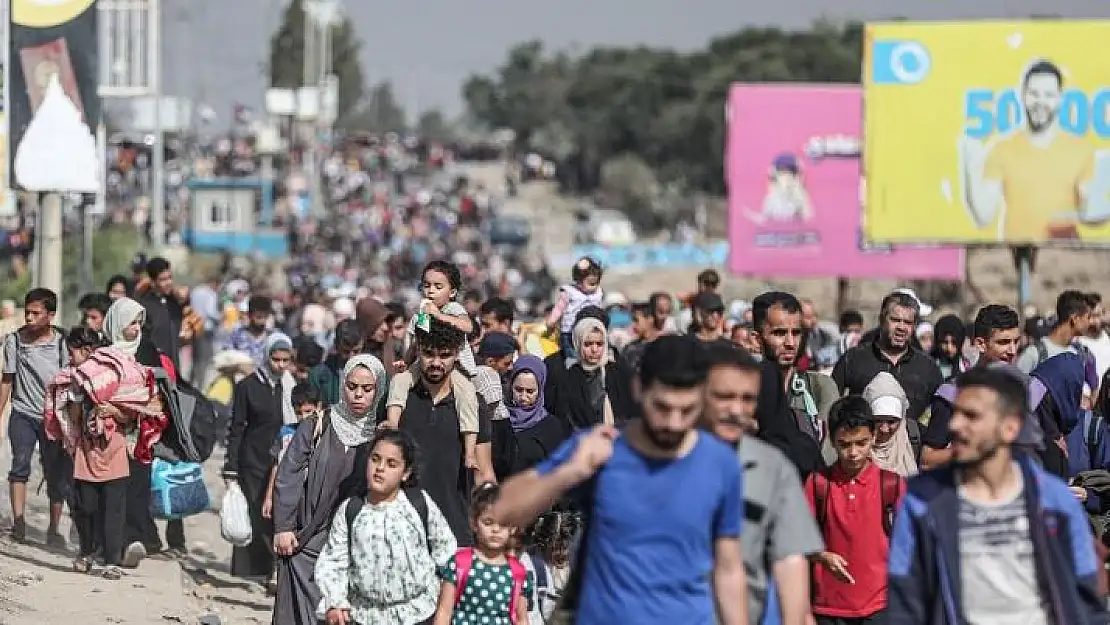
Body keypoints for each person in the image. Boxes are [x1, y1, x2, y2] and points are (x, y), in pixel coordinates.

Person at [494, 336, 750, 625]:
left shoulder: (720, 464)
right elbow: (503, 509)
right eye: (663, 408)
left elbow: (729, 569)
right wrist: (569, 472)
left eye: (687, 410)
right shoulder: (601, 450)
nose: (673, 423)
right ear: (639, 389)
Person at [887, 367, 1107, 623]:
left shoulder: (1055, 501)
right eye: (956, 413)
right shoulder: (921, 502)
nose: (955, 424)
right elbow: (904, 604)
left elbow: (1088, 599)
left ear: (1010, 427)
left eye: (971, 416)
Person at [700, 342, 822, 625]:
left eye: (747, 399)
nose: (736, 410)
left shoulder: (773, 468)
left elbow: (790, 559)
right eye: (724, 397)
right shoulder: (666, 462)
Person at [271, 355, 390, 625]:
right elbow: (288, 473)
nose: (358, 395)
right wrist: (284, 526)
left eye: (367, 389)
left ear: (379, 390)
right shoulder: (318, 424)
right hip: (309, 539)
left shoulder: (383, 437)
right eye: (352, 386)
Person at [315, 429, 457, 625]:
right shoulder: (351, 510)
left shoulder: (418, 504)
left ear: (405, 473)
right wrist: (336, 602)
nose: (380, 468)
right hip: (364, 616)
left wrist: (445, 610)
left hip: (418, 614)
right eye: (375, 459)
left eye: (391, 464)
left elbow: (446, 552)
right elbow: (333, 562)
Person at [963, 60, 1104, 241]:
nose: (1041, 102)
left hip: (1064, 258)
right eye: (1034, 94)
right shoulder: (1001, 149)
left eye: (1049, 95)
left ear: (1060, 98)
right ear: (1022, 95)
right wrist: (969, 165)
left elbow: (1090, 214)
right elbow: (983, 217)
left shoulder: (1082, 150)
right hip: (1016, 259)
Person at [806, 396, 906, 625]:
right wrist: (821, 556)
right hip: (828, 606)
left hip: (879, 605)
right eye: (844, 444)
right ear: (832, 441)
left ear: (873, 437)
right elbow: (796, 540)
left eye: (861, 443)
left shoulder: (891, 484)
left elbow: (909, 545)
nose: (853, 453)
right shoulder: (818, 484)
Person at [388, 261, 479, 472]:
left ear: (452, 291)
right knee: (400, 381)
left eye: (438, 287)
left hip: (454, 368)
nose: (431, 291)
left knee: (466, 396)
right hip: (424, 364)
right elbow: (417, 342)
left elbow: (467, 326)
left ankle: (470, 452)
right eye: (427, 285)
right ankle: (392, 426)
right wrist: (407, 361)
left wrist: (438, 316)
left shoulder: (453, 309)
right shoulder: (421, 312)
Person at [223, 333, 296, 581]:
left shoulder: (290, 387)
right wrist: (230, 466)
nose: (281, 366)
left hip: (284, 461)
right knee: (258, 514)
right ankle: (263, 570)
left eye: (286, 360)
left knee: (279, 515)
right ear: (267, 357)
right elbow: (237, 428)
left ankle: (276, 568)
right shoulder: (248, 387)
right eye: (276, 359)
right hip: (253, 461)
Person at [1, 288, 70, 545]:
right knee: (19, 465)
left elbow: (68, 381)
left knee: (55, 472)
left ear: (50, 315)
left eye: (35, 313)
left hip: (53, 417)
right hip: (23, 413)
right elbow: (7, 380)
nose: (29, 318)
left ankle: (54, 528)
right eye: (27, 312)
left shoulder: (62, 343)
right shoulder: (15, 341)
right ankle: (18, 523)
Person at [921, 304, 1023, 468]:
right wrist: (972, 449)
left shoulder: (1028, 390)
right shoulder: (953, 394)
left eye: (1016, 342)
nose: (1012, 351)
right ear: (981, 344)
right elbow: (927, 458)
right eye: (1003, 342)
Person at [752, 291, 838, 466]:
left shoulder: (819, 388)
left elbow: (830, 454)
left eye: (796, 333)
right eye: (779, 333)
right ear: (757, 340)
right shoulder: (745, 392)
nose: (790, 343)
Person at [832, 290, 942, 423]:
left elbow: (940, 417)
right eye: (895, 320)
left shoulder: (928, 368)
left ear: (914, 327)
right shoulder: (853, 360)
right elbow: (832, 408)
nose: (901, 327)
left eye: (908, 322)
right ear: (882, 320)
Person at [433, 483, 533, 625]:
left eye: (503, 524)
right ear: (474, 523)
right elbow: (444, 611)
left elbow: (521, 618)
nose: (495, 529)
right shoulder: (460, 563)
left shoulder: (517, 572)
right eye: (488, 522)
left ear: (513, 528)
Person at [554, 317, 635, 430]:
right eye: (588, 344)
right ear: (578, 344)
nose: (594, 349)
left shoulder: (618, 372)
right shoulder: (568, 378)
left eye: (599, 344)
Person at [506, 356, 568, 475]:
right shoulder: (501, 419)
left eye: (530, 391)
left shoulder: (550, 426)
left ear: (540, 390)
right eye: (518, 390)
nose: (523, 397)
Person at [862, 372, 919, 476]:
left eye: (892, 421)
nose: (884, 429)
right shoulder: (853, 450)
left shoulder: (914, 438)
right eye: (878, 420)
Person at [546, 257, 604, 358]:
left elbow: (600, 309)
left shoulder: (597, 293)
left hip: (591, 331)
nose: (594, 287)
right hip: (570, 331)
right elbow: (559, 308)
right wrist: (552, 321)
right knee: (571, 355)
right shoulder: (570, 292)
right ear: (578, 281)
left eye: (596, 283)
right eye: (591, 284)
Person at [931, 315, 969, 381]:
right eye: (944, 342)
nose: (949, 348)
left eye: (954, 342)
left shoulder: (966, 367)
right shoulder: (927, 365)